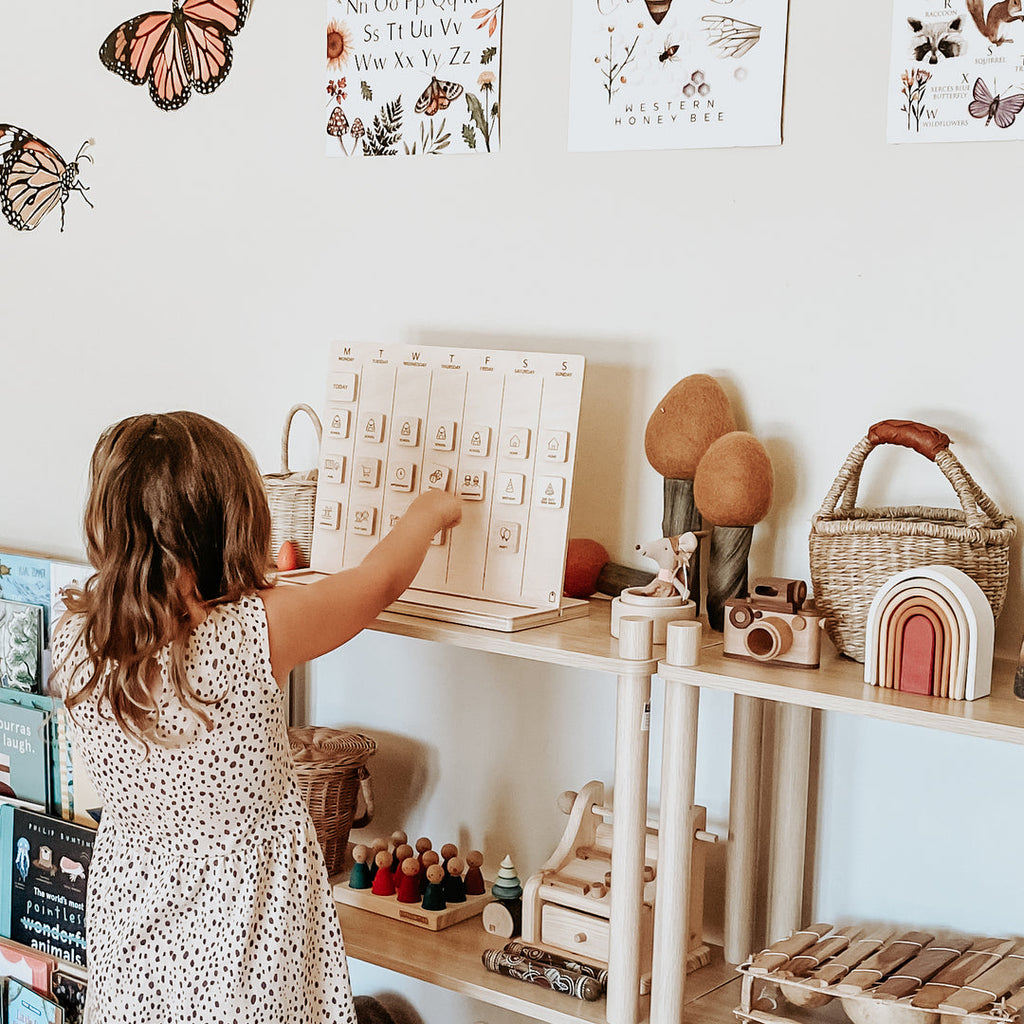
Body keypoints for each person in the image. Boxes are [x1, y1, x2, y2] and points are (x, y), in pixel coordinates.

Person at [50, 411, 462, 1024]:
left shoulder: (76, 639)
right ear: (231, 521)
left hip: (132, 926)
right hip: (246, 933)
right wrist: (430, 511)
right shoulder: (254, 632)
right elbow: (376, 582)